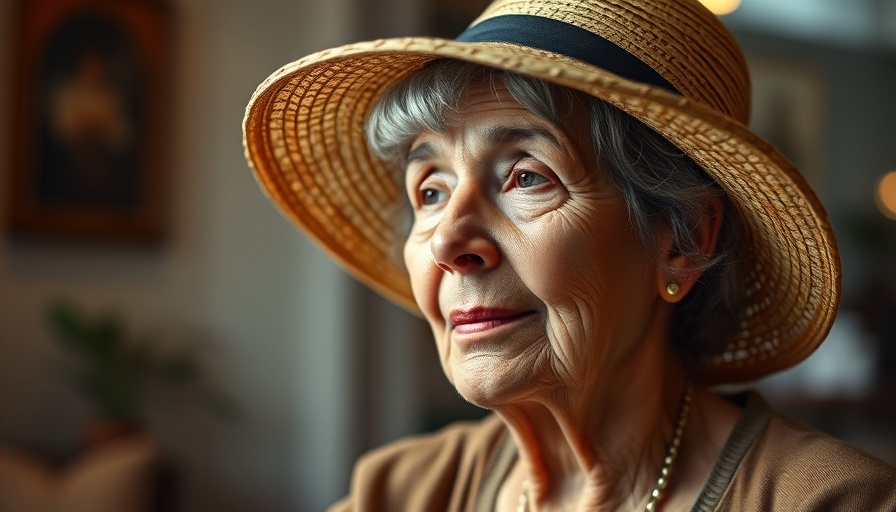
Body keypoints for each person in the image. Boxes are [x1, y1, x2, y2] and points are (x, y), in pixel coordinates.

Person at [243, 0, 896, 510]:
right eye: (431, 190)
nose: (447, 241)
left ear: (684, 241)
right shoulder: (403, 491)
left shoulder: (832, 502)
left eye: (527, 177)